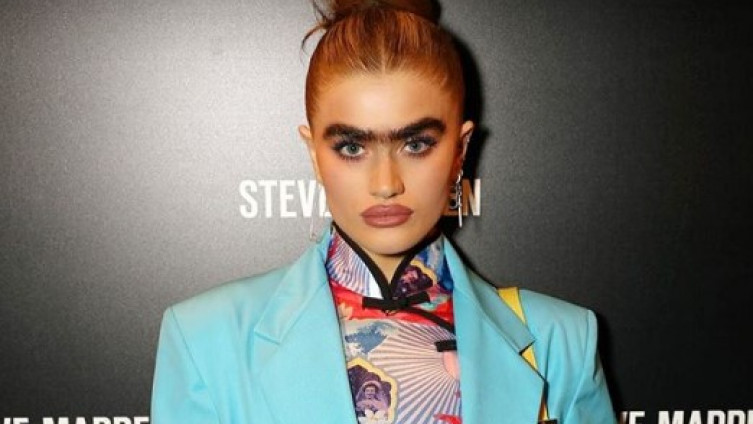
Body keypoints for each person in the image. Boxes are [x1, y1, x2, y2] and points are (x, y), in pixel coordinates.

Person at [150, 0, 617, 423]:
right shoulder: (205, 342)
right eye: (352, 147)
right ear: (314, 154)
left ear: (460, 149)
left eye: (416, 144)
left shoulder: (559, 341)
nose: (386, 183)